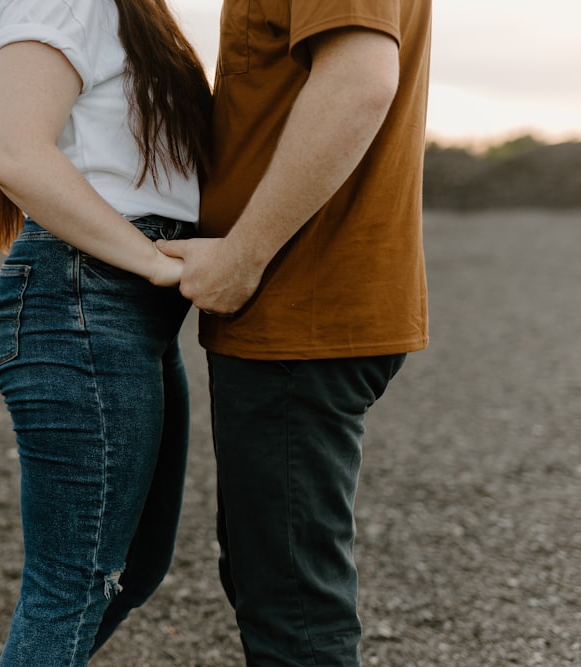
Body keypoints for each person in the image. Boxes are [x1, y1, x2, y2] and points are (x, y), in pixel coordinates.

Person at [157, 1, 433, 665]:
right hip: (296, 308)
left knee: (294, 613)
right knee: (270, 576)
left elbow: (359, 82)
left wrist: (243, 254)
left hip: (298, 304)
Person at [0, 0, 211, 664]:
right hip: (85, 298)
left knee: (134, 566)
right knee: (72, 586)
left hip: (124, 310)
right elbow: (15, 150)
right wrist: (147, 260)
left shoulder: (128, 10)